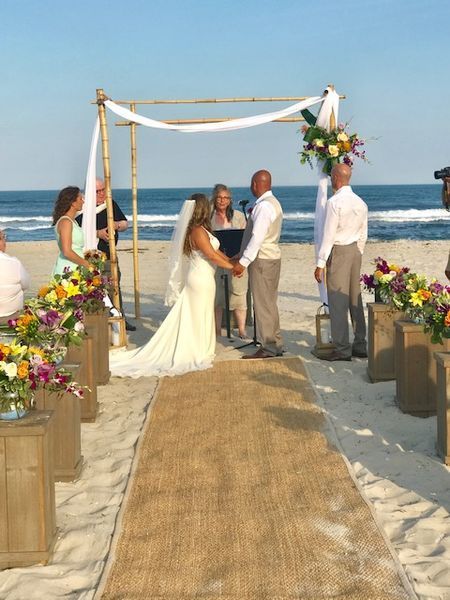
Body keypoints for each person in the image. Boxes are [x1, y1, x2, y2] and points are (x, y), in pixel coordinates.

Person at [109, 193, 234, 377]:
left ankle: (203, 347)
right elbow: (211, 255)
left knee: (201, 313)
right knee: (199, 314)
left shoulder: (201, 229)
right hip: (200, 278)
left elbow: (217, 253)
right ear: (202, 209)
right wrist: (234, 267)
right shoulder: (198, 231)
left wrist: (233, 261)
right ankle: (198, 350)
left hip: (204, 276)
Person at [314, 163, 368, 361]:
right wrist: (358, 252)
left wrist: (320, 263)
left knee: (337, 301)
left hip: (339, 250)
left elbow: (329, 234)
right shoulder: (360, 202)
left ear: (336, 178)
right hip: (355, 250)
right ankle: (360, 344)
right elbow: (364, 233)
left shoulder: (334, 202)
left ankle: (342, 348)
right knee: (355, 298)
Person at [232, 170, 283, 359]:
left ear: (255, 184)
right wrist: (241, 253)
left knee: (262, 303)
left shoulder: (263, 207)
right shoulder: (273, 203)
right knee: (269, 302)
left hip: (262, 259)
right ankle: (275, 342)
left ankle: (268, 346)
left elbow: (257, 238)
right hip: (271, 257)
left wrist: (243, 262)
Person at [76, 179, 136, 331]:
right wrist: (98, 233)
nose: (102, 193)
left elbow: (124, 223)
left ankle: (120, 318)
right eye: (98, 191)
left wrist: (115, 225)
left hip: (110, 255)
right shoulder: (82, 209)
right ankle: (97, 321)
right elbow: (77, 233)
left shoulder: (110, 204)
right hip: (88, 258)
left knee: (114, 287)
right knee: (92, 290)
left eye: (103, 189)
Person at [210, 183, 248, 338]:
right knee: (217, 296)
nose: (222, 201)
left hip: (236, 259)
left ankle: (242, 330)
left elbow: (246, 238)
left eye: (226, 198)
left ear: (230, 200)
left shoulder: (238, 216)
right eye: (219, 197)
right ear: (214, 198)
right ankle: (217, 330)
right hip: (216, 260)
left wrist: (239, 254)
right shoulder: (208, 216)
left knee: (239, 294)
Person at [52, 186, 90, 276]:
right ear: (73, 202)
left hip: (76, 265)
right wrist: (86, 264)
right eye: (80, 199)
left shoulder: (73, 221)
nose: (83, 201)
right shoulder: (66, 222)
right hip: (68, 268)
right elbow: (67, 251)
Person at [0, 229, 31, 323]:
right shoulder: (14, 263)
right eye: (3, 238)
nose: (5, 242)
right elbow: (26, 285)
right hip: (11, 318)